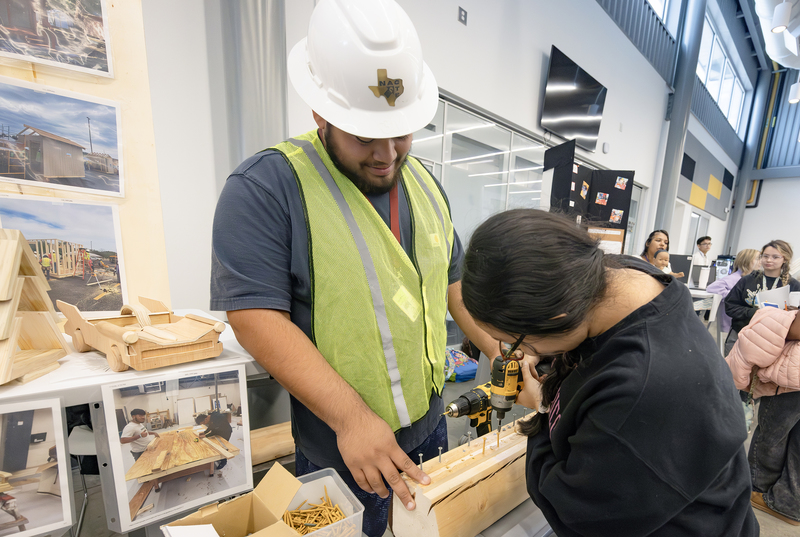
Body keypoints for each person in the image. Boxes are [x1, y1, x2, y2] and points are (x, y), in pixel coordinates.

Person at [209, 1, 497, 534]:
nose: (387, 155)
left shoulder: (425, 185)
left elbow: (453, 285)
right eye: (365, 136)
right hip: (345, 444)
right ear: (321, 114)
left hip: (431, 425)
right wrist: (352, 418)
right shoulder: (265, 188)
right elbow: (254, 318)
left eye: (402, 133)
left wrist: (503, 350)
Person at [460, 209, 757, 536]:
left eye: (517, 341)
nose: (518, 354)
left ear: (557, 316)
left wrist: (543, 406)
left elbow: (576, 515)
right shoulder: (619, 274)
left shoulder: (641, 389)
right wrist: (543, 353)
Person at [725, 307, 800, 526]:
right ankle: (790, 502)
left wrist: (778, 315)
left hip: (790, 381)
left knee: (772, 434)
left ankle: (758, 487)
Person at [725, 240, 800, 347]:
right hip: (741, 334)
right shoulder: (748, 280)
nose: (769, 260)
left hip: (774, 340)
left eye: (775, 257)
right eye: (765, 256)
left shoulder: (793, 285)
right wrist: (756, 312)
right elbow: (730, 306)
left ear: (784, 259)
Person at [706, 248, 760, 353]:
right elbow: (712, 288)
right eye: (757, 258)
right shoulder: (735, 278)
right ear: (747, 260)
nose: (761, 261)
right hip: (733, 323)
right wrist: (734, 296)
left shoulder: (752, 279)